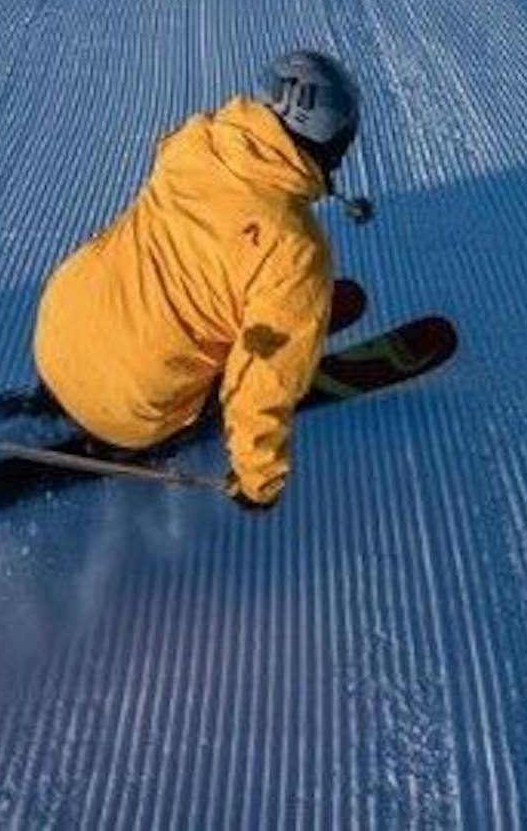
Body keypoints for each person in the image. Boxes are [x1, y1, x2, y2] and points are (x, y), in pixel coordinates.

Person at [29, 50, 358, 513]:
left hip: (55, 329)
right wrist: (257, 478)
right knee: (256, 338)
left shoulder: (197, 140)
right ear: (329, 139)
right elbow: (262, 382)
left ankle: (72, 380)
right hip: (127, 407)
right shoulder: (296, 251)